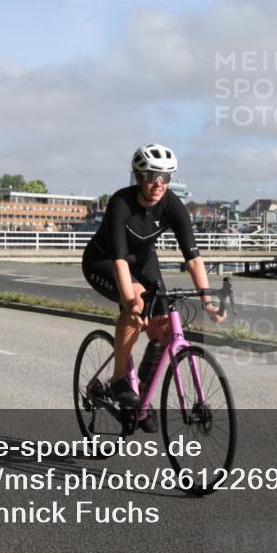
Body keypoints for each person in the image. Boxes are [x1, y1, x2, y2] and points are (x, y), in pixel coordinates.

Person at [82, 144, 226, 432]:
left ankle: (142, 396)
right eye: (151, 176)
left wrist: (208, 301)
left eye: (166, 177)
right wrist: (132, 304)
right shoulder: (121, 203)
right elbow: (120, 262)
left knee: (163, 328)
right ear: (138, 176)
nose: (159, 183)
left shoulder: (172, 204)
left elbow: (194, 259)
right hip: (105, 261)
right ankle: (119, 380)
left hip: (145, 262)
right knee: (135, 300)